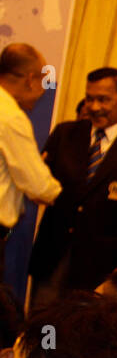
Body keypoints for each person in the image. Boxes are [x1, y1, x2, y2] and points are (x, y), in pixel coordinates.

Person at [31, 68, 117, 304]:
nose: (94, 107)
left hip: (100, 268)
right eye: (90, 98)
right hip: (52, 257)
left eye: (103, 99)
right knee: (43, 331)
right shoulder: (65, 134)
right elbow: (42, 184)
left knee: (83, 334)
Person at [0, 44, 61, 233]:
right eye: (44, 81)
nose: (44, 90)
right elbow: (39, 187)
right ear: (31, 80)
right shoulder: (11, 117)